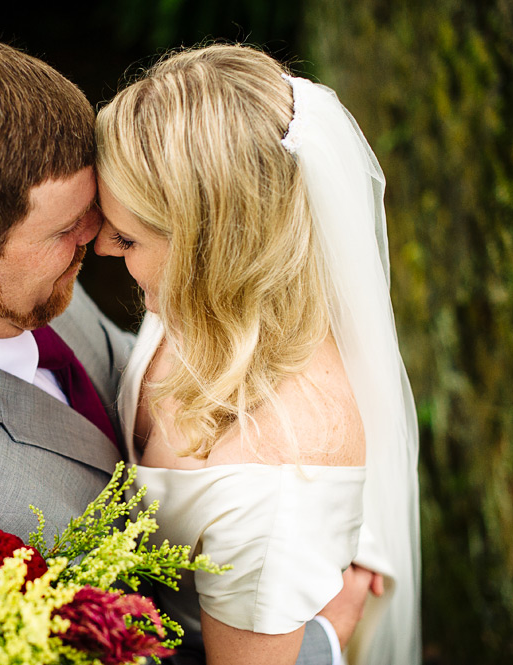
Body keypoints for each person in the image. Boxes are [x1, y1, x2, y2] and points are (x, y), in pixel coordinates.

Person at [0, 38, 363, 665]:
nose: (101, 238)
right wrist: (322, 642)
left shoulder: (7, 281)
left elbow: (113, 372)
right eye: (68, 230)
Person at [93, 44, 420, 665]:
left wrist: (327, 636)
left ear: (206, 248)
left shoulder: (276, 469)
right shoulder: (204, 307)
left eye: (130, 236)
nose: (103, 247)